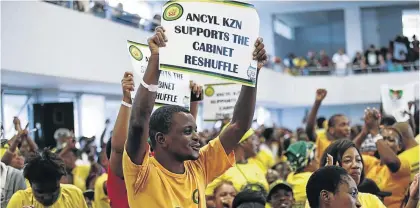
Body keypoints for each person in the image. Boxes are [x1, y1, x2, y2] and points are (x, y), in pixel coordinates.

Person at [122, 26, 267, 207]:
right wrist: (157, 60)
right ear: (161, 139)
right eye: (188, 131)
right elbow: (139, 121)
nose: (197, 137)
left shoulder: (199, 167)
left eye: (195, 130)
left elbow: (238, 126)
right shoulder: (142, 173)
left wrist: (252, 73)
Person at [106, 71, 202, 207]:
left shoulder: (151, 165)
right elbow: (120, 147)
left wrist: (193, 103)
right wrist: (127, 100)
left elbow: (181, 137)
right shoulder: (124, 170)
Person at [354, 108, 411, 208]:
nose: (385, 142)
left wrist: (375, 133)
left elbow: (391, 161)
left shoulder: (404, 164)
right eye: (383, 138)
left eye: (390, 139)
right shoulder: (372, 163)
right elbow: (348, 152)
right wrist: (365, 132)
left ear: (399, 146)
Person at [7, 149, 88, 207]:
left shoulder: (74, 195)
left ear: (60, 181)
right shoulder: (20, 200)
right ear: (30, 184)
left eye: (53, 190)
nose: (47, 197)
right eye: (40, 191)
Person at [317, 139, 387, 207]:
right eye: (347, 161)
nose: (356, 165)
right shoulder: (319, 201)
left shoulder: (371, 200)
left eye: (358, 160)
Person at [205, 129, 269, 197]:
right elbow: (206, 197)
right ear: (242, 142)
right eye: (253, 139)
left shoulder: (257, 164)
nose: (257, 143)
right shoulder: (221, 169)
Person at [305, 88, 350, 163]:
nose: (347, 128)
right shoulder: (323, 144)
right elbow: (309, 130)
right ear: (331, 130)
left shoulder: (349, 146)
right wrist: (317, 102)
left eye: (348, 124)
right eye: (343, 125)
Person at [285, 141, 318, 206]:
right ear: (309, 162)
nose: (317, 160)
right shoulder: (313, 180)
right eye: (315, 158)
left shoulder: (290, 176)